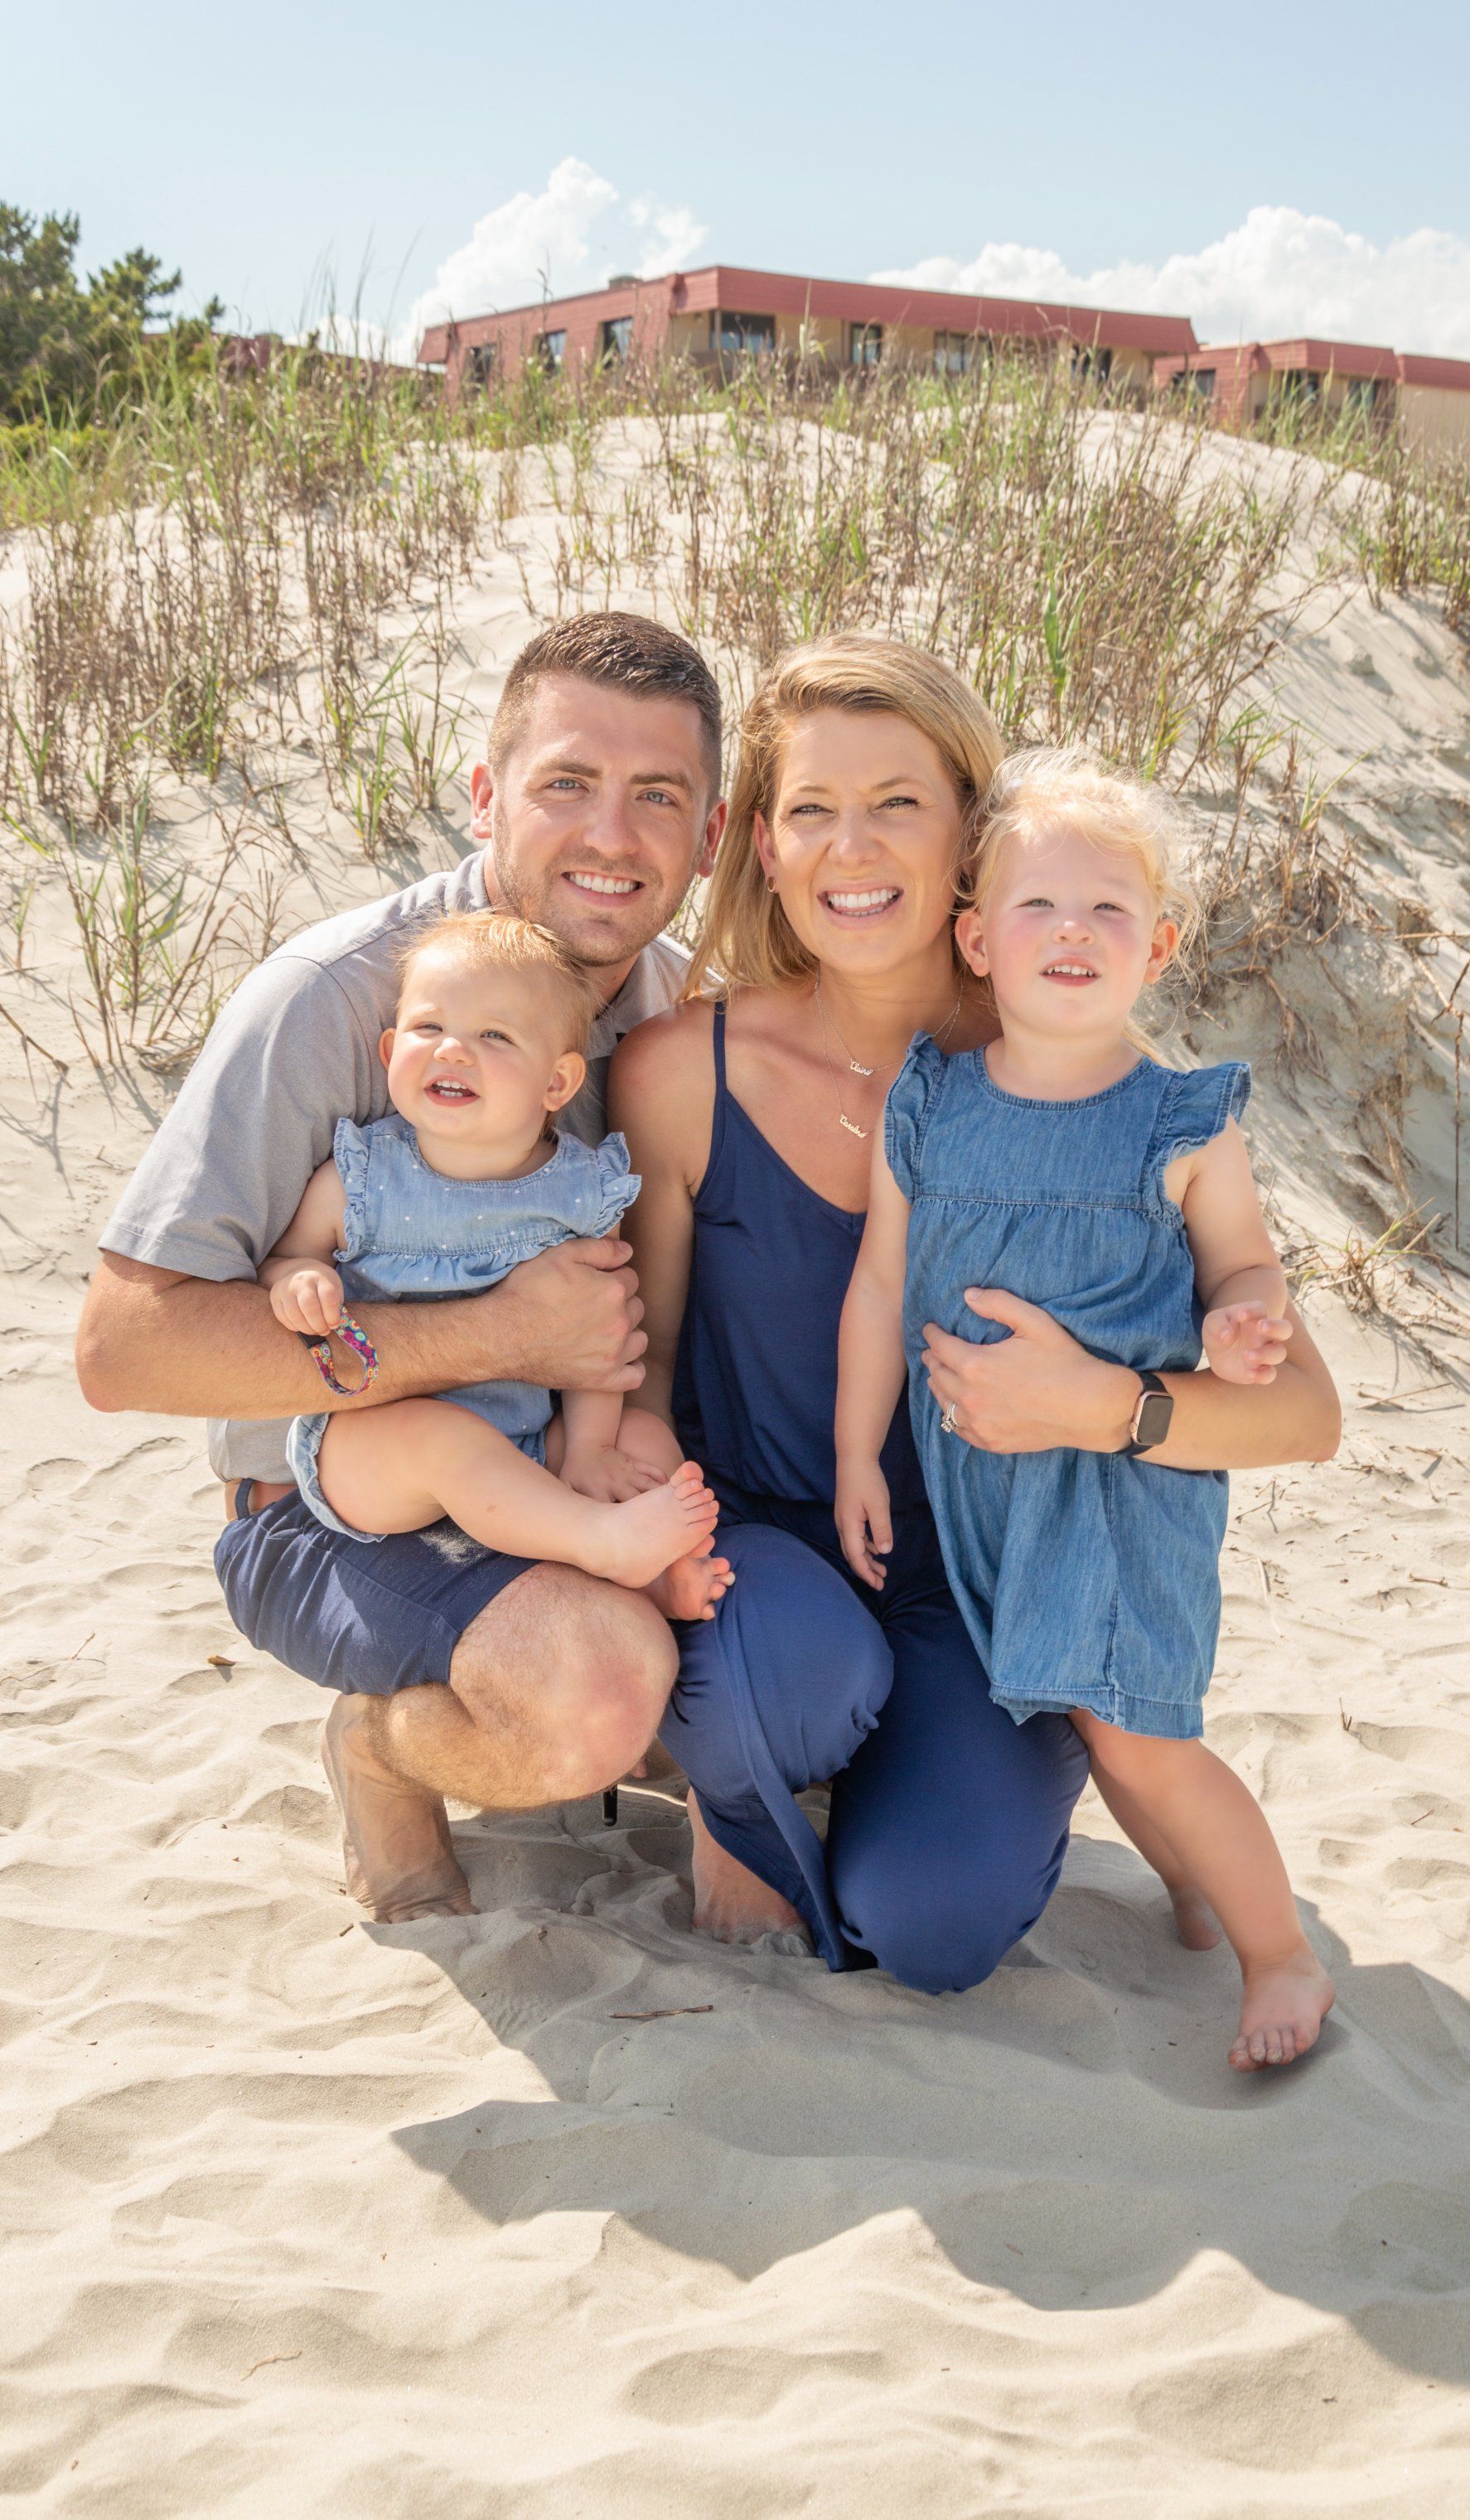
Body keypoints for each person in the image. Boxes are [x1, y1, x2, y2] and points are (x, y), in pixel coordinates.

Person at [612, 636, 1342, 1999]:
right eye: (812, 807)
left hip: (1000, 1579)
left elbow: (1305, 1412)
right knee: (787, 1681)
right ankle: (738, 1775)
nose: (853, 844)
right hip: (775, 1549)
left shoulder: (1077, 1065)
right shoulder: (681, 1071)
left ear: (969, 839)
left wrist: (1110, 1407)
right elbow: (638, 1381)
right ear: (762, 844)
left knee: (934, 1925)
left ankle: (965, 1774)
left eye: (899, 801)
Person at [78, 613, 727, 1923]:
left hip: (557, 1477)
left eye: (658, 796)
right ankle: (381, 1747)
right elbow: (121, 1349)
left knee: (770, 1656)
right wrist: (498, 1333)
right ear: (484, 796)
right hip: (328, 1508)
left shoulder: (677, 1015)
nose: (612, 835)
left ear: (710, 837)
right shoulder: (347, 999)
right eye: (566, 784)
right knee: (593, 1695)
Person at [834, 746, 1334, 2067]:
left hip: (1120, 1493)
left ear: (1158, 945)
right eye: (1040, 907)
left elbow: (1243, 1258)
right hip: (981, 1488)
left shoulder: (1179, 1117)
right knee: (1109, 1730)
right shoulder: (930, 1103)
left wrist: (1242, 1314)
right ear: (977, 938)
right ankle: (1190, 1885)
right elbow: (882, 1278)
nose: (1073, 932)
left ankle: (1282, 1954)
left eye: (1109, 910)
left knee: (1139, 1736)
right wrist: (854, 1454)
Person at [264, 911, 730, 1612]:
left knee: (639, 1435)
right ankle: (600, 1542)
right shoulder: (362, 1178)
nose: (452, 1051)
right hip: (375, 1449)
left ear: (558, 1083)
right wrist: (301, 1280)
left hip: (524, 1442)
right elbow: (290, 1257)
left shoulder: (577, 1192)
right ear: (390, 1050)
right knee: (444, 1438)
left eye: (495, 1036)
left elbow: (599, 1335)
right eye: (428, 1028)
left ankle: (662, 1570)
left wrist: (589, 1449)